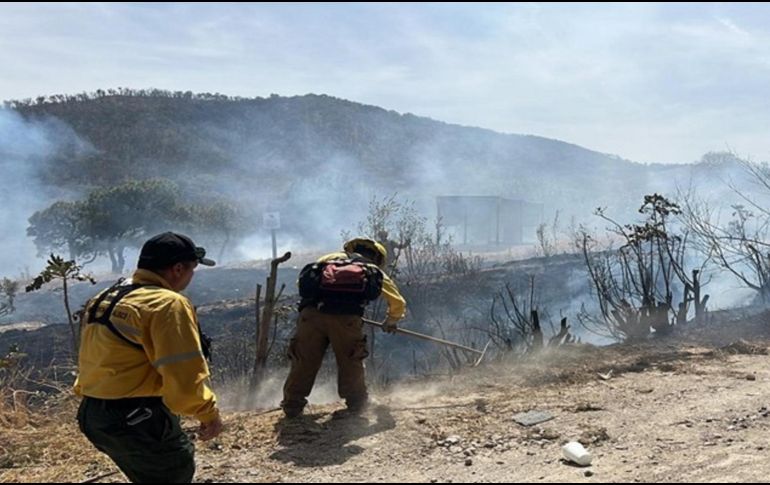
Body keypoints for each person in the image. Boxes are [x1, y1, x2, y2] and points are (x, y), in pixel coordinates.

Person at [74, 232, 222, 483]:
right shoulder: (167, 304)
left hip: (93, 415)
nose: (192, 277)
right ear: (177, 268)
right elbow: (183, 374)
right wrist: (208, 414)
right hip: (137, 417)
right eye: (191, 269)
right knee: (174, 471)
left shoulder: (106, 296)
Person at [281, 237, 406, 418]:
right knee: (351, 360)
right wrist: (391, 321)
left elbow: (301, 284)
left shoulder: (328, 259)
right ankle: (357, 404)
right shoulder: (371, 268)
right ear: (377, 257)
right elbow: (398, 302)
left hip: (310, 317)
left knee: (303, 360)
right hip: (347, 320)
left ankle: (292, 406)